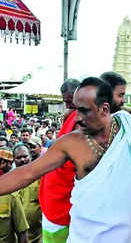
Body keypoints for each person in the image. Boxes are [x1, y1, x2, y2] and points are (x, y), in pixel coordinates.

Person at [0, 77, 131, 242]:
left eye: (83, 110)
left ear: (104, 109)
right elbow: (28, 173)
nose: (76, 117)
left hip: (126, 234)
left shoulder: (128, 126)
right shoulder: (71, 143)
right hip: (86, 236)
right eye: (76, 109)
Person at [38, 78, 80, 243]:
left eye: (71, 102)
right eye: (67, 102)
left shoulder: (80, 118)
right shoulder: (74, 118)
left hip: (57, 203)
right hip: (56, 204)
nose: (69, 107)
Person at [0, 147, 29, 243]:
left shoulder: (9, 195)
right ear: (3, 163)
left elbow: (22, 233)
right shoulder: (0, 180)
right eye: (10, 163)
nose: (11, 166)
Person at [13, 144, 42, 243]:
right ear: (14, 160)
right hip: (16, 237)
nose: (22, 160)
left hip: (38, 236)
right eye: (18, 157)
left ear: (30, 156)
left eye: (25, 156)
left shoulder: (40, 177)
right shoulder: (9, 181)